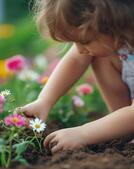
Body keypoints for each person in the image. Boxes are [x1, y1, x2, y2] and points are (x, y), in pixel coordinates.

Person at [21, 0, 134, 154]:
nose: (80, 50)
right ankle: (123, 130)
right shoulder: (118, 36)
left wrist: (83, 133)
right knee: (100, 56)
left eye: (85, 41)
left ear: (111, 21)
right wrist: (44, 101)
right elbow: (75, 60)